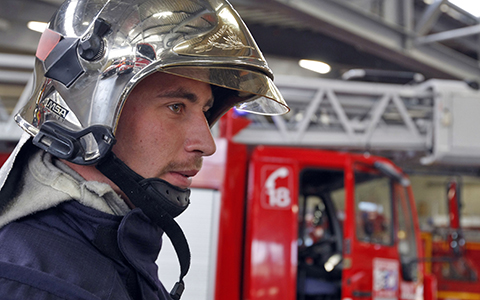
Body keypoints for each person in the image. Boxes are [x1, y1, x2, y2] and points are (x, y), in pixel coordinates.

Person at [0, 0, 289, 299]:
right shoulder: (33, 284)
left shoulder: (114, 247)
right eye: (176, 107)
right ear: (88, 111)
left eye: (205, 110)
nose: (207, 145)